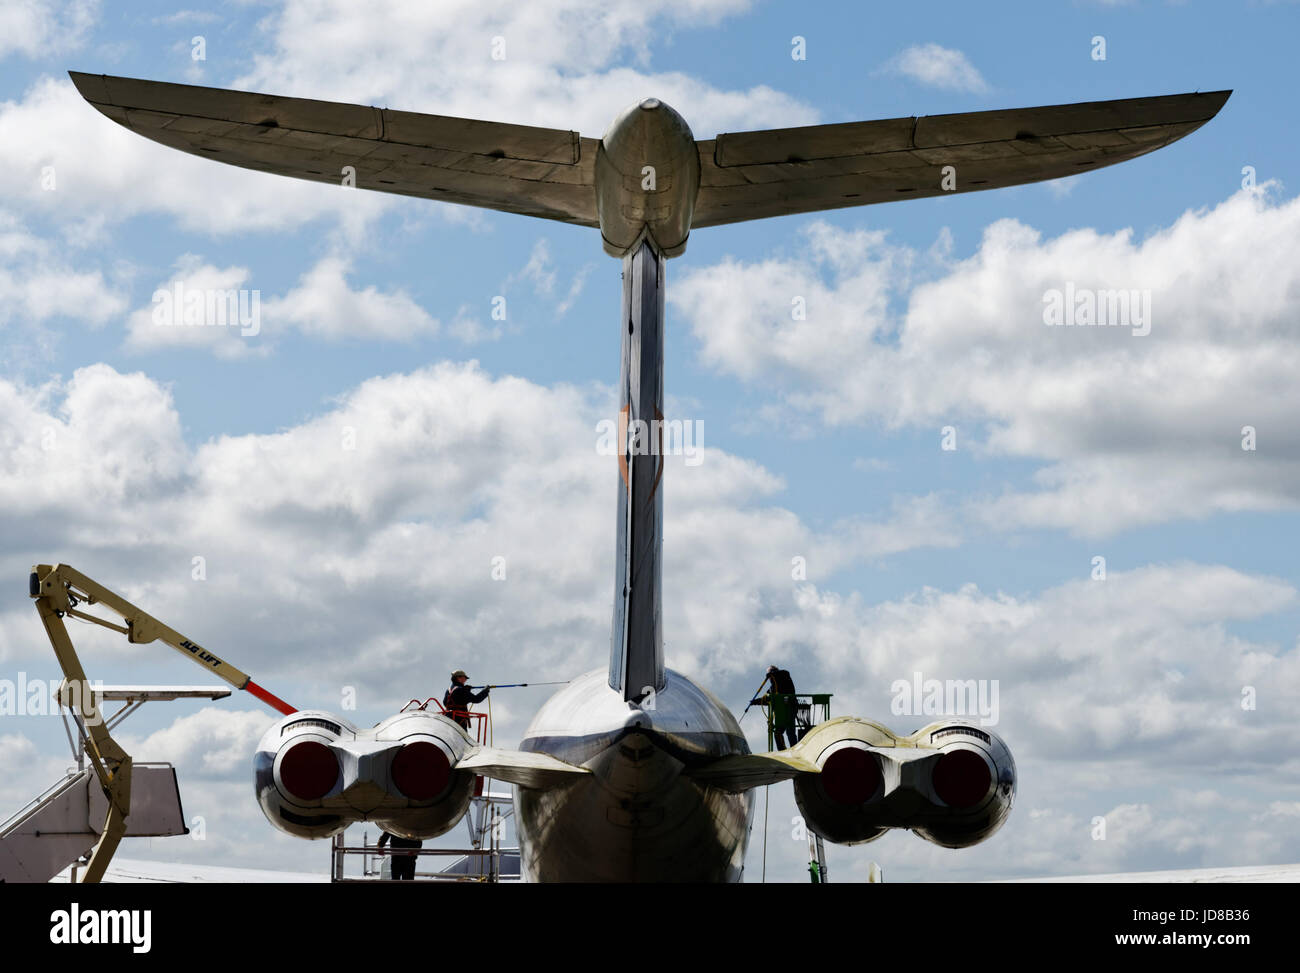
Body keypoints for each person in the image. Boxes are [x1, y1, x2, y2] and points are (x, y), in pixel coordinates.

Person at [751, 664, 801, 750]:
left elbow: (784, 673)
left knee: (790, 732)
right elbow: (768, 699)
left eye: (771, 674)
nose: (770, 678)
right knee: (778, 733)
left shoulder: (785, 677)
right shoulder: (772, 688)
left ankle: (795, 750)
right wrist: (755, 702)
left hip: (790, 708)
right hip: (780, 712)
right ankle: (782, 751)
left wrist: (773, 673)